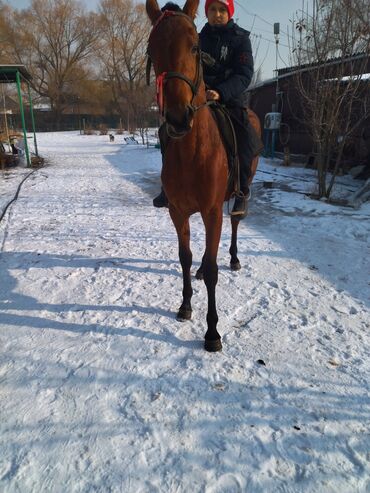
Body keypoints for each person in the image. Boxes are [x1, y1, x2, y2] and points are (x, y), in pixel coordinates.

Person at [153, 0, 262, 215]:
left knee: (245, 134)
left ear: (229, 12)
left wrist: (221, 91)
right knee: (166, 132)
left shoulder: (241, 39)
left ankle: (241, 189)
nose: (217, 14)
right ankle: (168, 187)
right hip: (201, 97)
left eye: (222, 10)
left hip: (230, 99)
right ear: (207, 12)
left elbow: (244, 74)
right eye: (212, 9)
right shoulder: (198, 38)